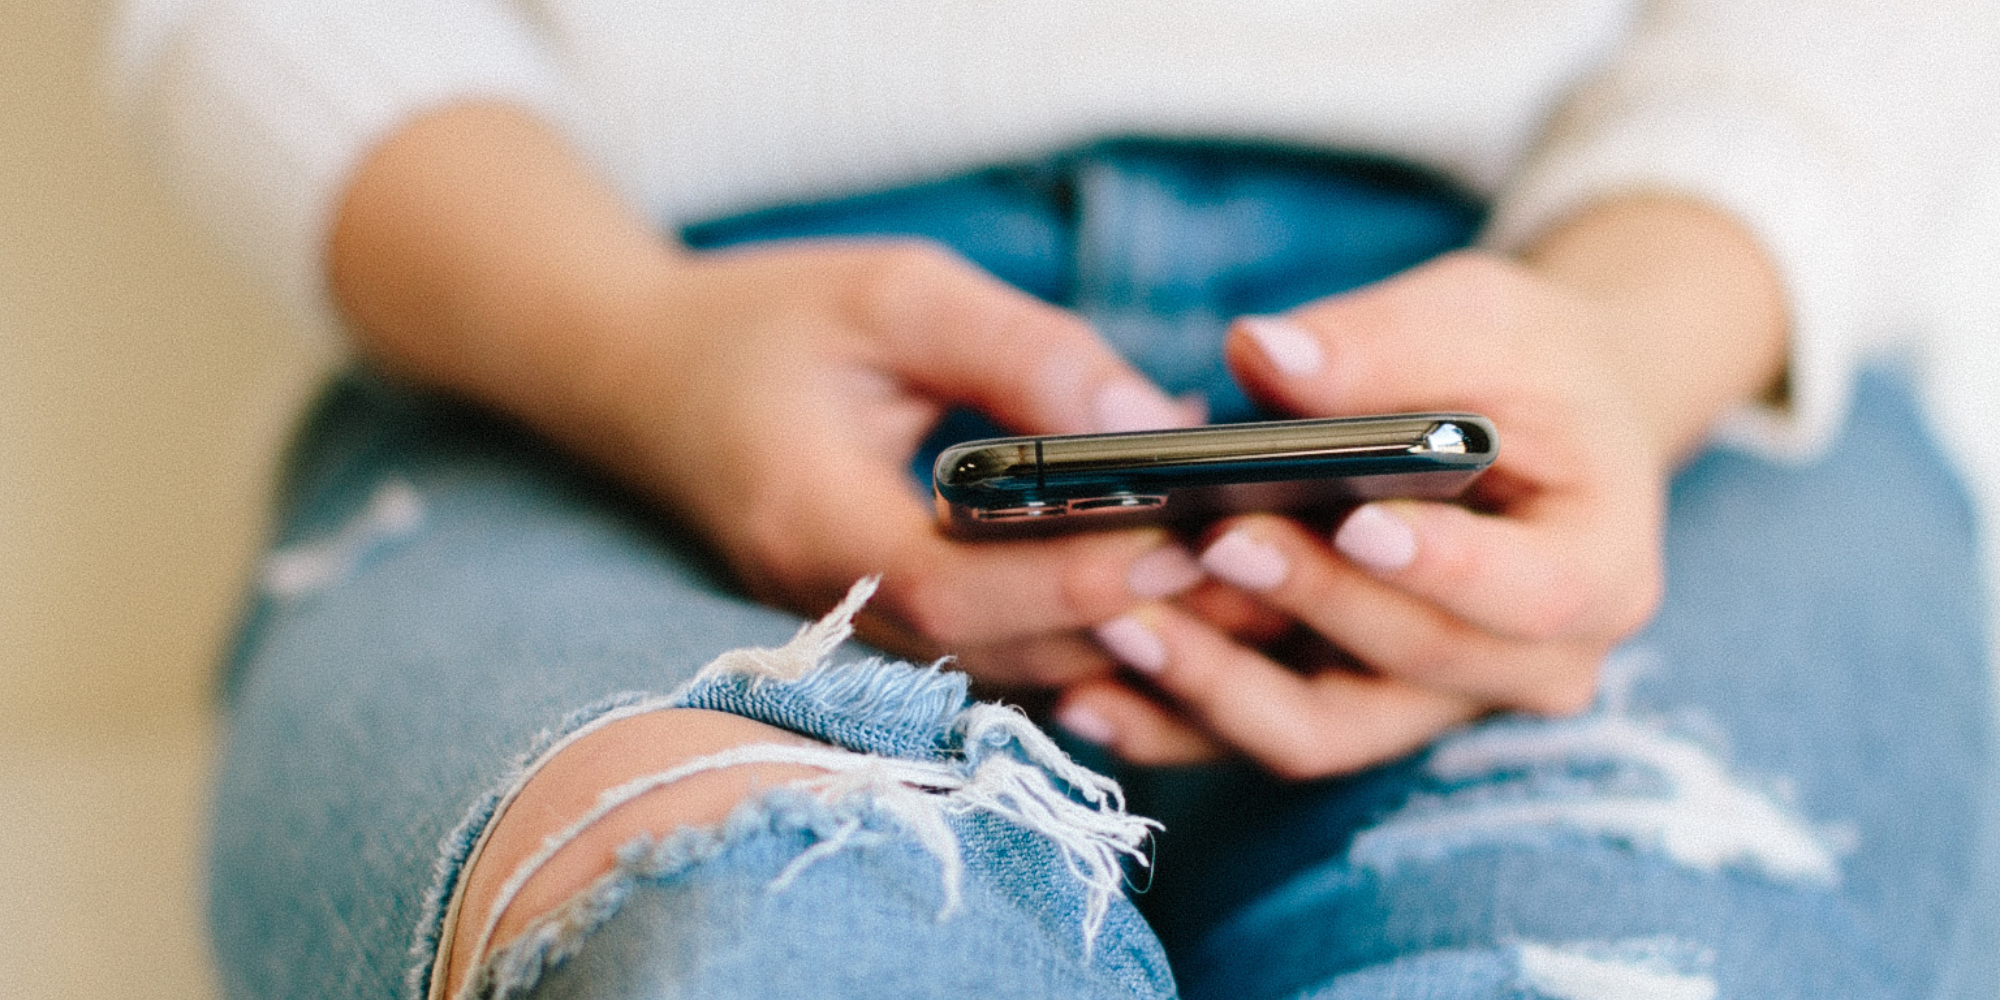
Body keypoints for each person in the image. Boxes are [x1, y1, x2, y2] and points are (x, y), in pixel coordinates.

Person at [111, 2, 2000, 998]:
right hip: (598, 346)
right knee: (779, 941)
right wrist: (629, 342)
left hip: (1601, 315)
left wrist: (1628, 333)